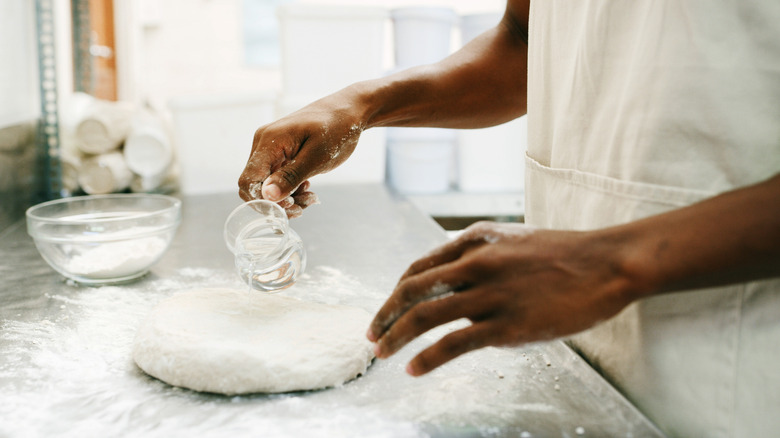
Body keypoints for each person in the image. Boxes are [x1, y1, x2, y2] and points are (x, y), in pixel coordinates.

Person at [239, 1, 780, 436]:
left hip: (729, 365)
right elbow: (525, 42)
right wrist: (361, 104)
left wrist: (613, 260)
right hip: (568, 354)